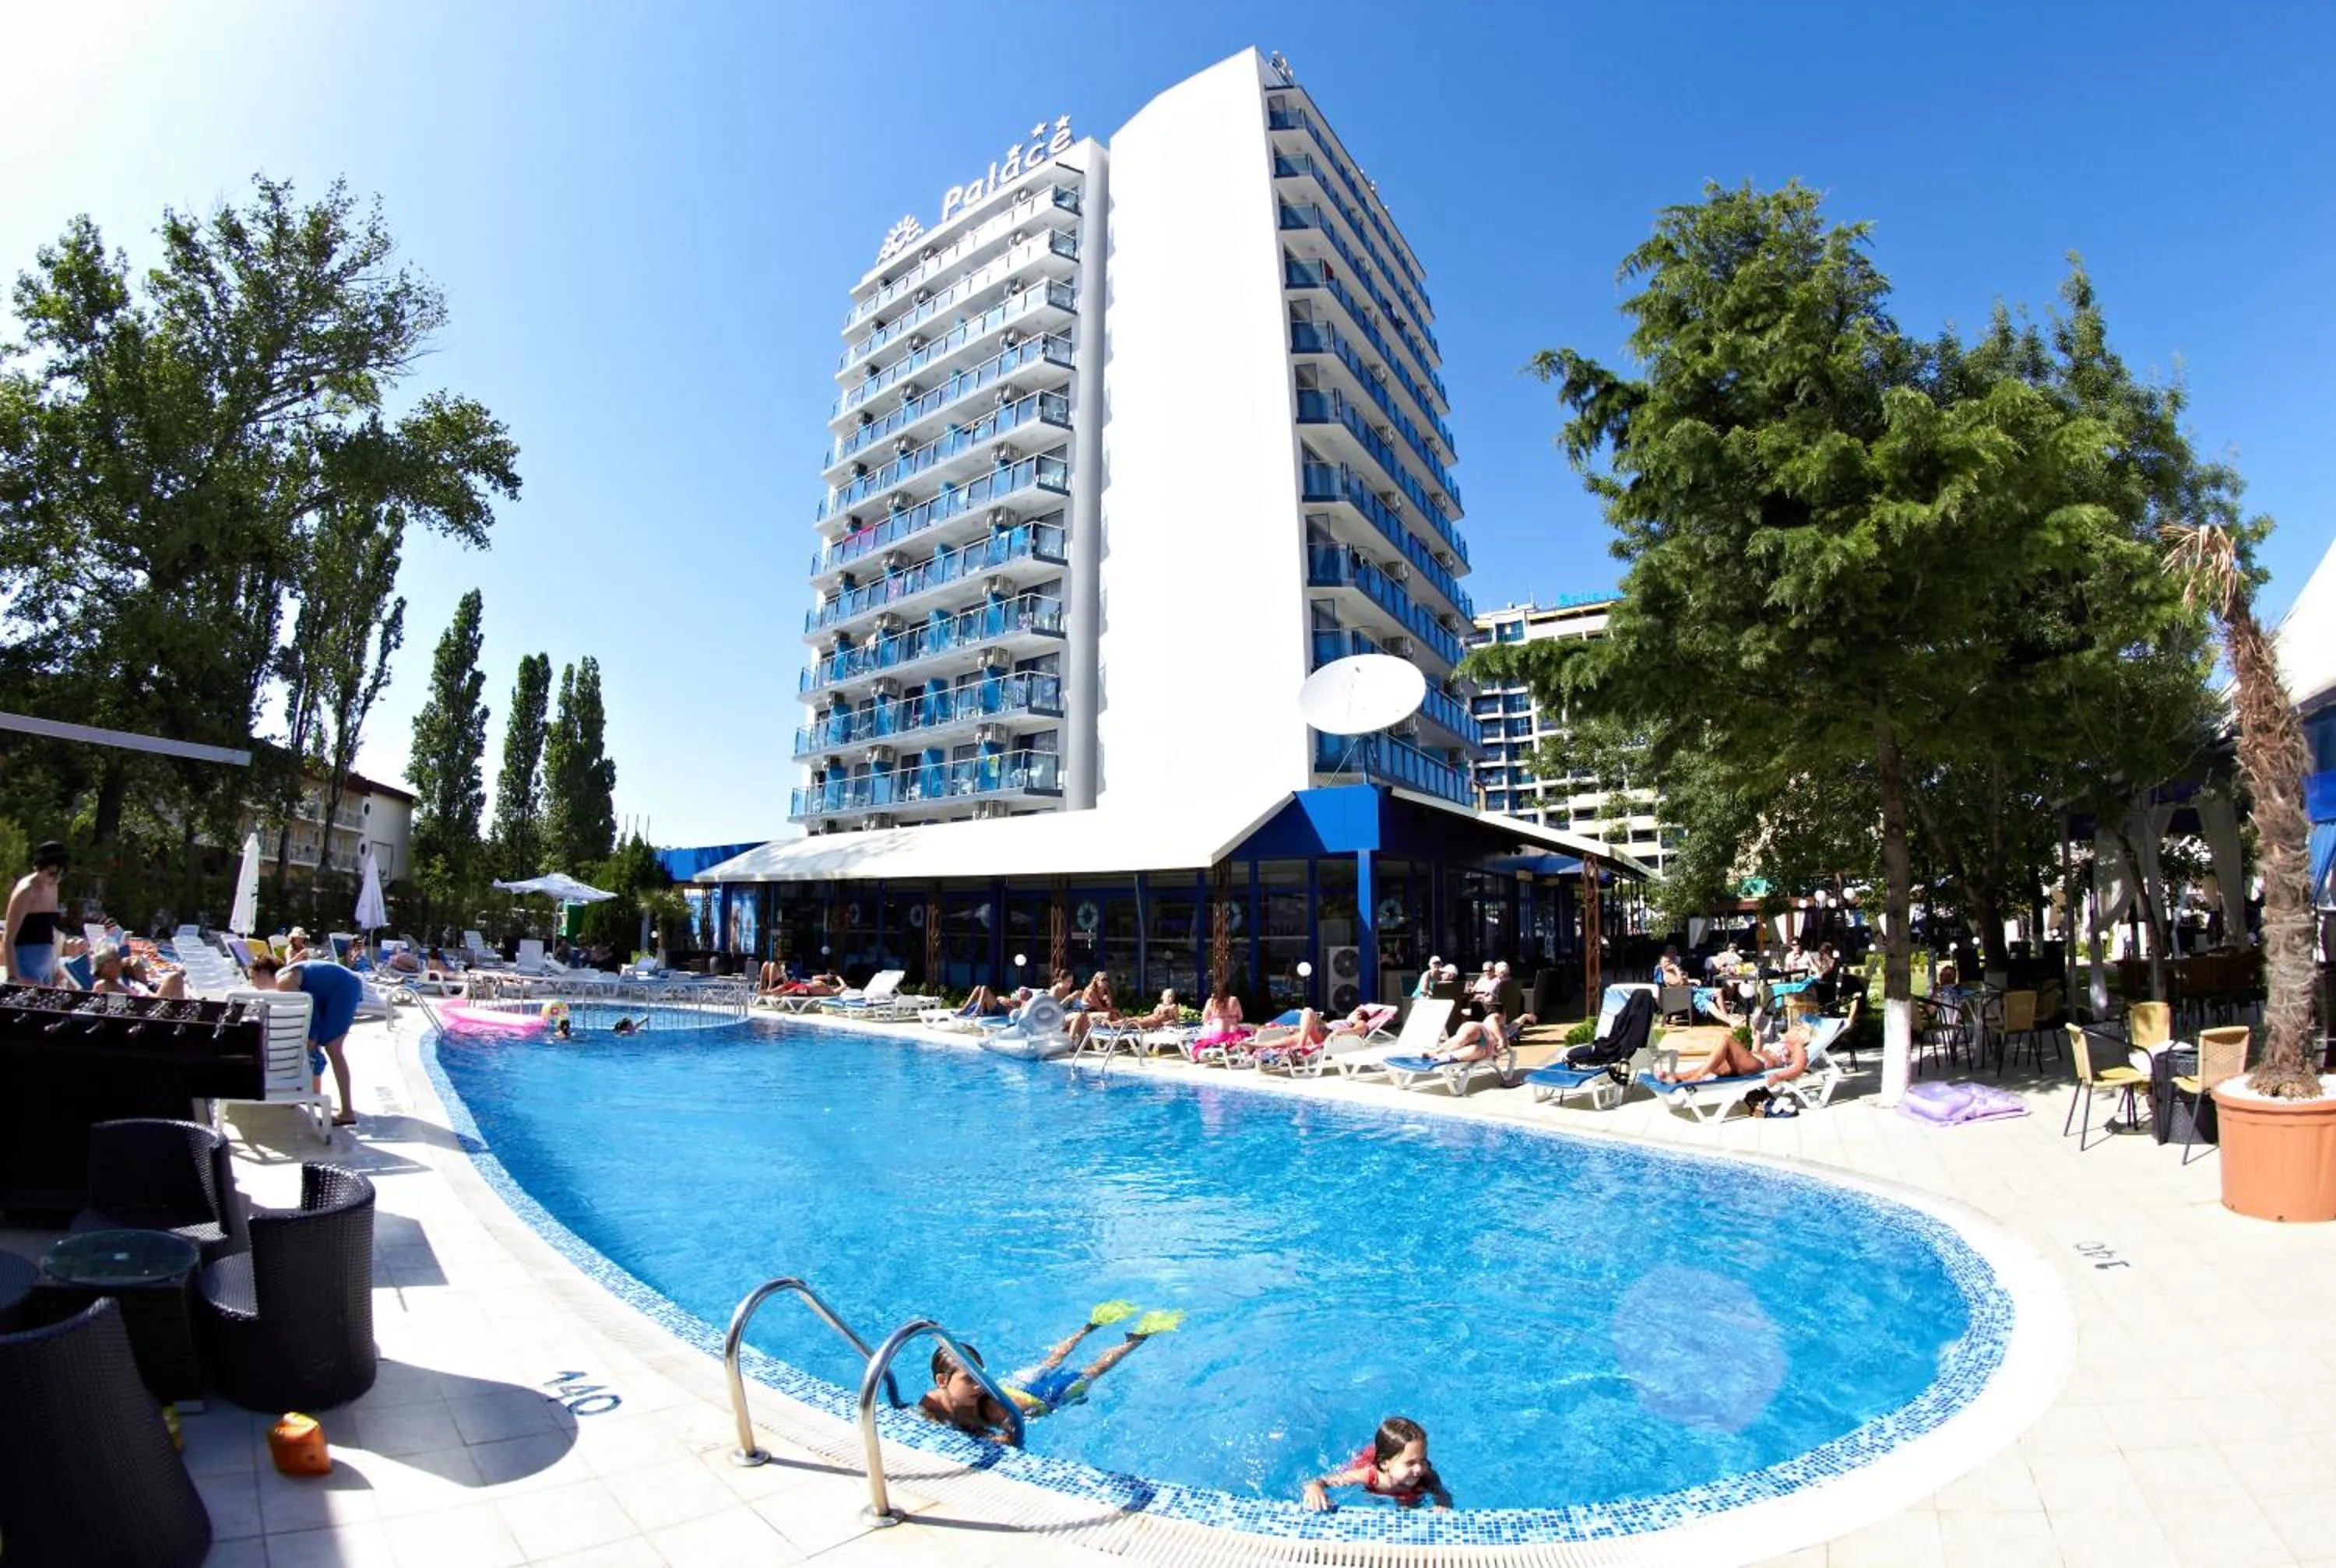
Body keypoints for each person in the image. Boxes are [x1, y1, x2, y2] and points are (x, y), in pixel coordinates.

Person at [917, 1301, 1184, 1438]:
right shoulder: (930, 1401)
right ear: (942, 1381)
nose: (980, 1384)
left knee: (1093, 1371)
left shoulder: (991, 1407)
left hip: (1043, 1399)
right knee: (1049, 1362)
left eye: (981, 1376)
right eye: (970, 1379)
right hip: (1016, 1387)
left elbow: (1012, 1438)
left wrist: (985, 1436)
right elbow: (927, 1416)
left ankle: (1138, 1337)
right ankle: (1089, 1327)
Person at [251, 952, 365, 1127]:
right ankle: (311, 1092)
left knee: (333, 1049)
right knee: (323, 1046)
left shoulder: (284, 981)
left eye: (253, 978)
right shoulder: (287, 975)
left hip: (344, 987)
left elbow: (311, 1013)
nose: (253, 984)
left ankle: (347, 1112)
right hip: (345, 984)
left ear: (263, 973)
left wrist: (312, 1038)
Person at [1303, 1415, 1451, 1511]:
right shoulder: (1370, 1475)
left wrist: (1442, 1503)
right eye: (1410, 1463)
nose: (1419, 1468)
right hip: (1372, 1463)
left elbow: (1442, 1493)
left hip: (1391, 1464)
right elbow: (1322, 1481)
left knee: (1411, 1506)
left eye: (1423, 1459)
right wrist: (1315, 1488)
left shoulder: (1427, 1476)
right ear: (1385, 1464)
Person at [1658, 1021, 1811, 1085]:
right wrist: (1756, 1037)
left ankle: (1698, 1077)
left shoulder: (1798, 1046)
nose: (1790, 1029)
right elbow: (1756, 1052)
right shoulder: (1784, 1043)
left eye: (1795, 1028)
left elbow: (1798, 1068)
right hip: (1753, 1060)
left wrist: (1778, 1076)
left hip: (1759, 1066)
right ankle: (1677, 1077)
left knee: (1725, 1039)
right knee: (1713, 1065)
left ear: (1800, 1033)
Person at [4, 840, 70, 986]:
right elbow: (9, 939)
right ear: (40, 867)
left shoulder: (53, 886)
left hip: (46, 960)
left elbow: (49, 929)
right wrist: (13, 978)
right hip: (25, 961)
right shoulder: (26, 891)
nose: (55, 879)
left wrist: (55, 967)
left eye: (60, 875)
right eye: (52, 873)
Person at [1428, 1008, 1534, 1065]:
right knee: (1470, 1034)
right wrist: (1501, 1039)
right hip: (1482, 1032)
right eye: (1505, 1015)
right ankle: (1437, 1051)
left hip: (1485, 1044)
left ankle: (1445, 1056)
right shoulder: (1494, 1019)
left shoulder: (1507, 1029)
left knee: (1477, 1050)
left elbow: (1517, 1023)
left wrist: (1525, 1016)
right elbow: (1492, 1018)